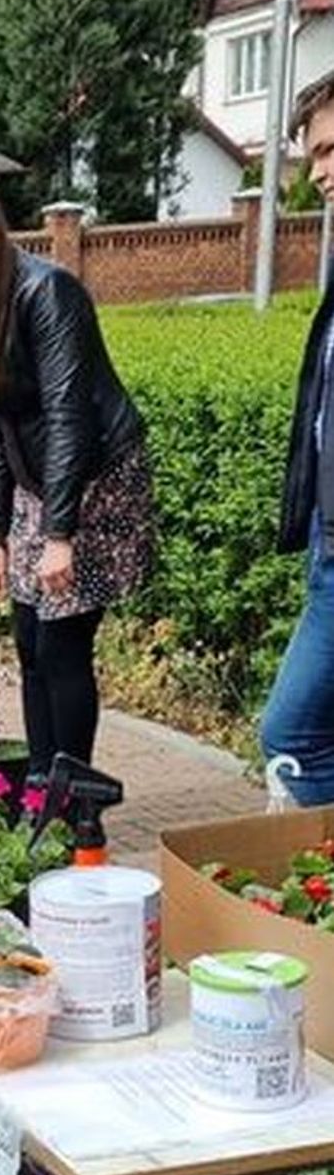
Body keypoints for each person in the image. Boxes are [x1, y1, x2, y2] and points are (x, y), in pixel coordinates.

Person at [0, 176, 152, 780]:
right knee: (28, 643)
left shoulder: (49, 292)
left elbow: (70, 416)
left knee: (61, 644)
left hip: (96, 478)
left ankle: (73, 803)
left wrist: (59, 536)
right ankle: (40, 789)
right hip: (35, 488)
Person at [261, 69, 334, 802]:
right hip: (327, 540)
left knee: (294, 736)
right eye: (312, 154)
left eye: (329, 150)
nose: (316, 173)